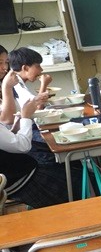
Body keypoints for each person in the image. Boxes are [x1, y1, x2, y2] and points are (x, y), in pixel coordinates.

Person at [0, 68, 69, 208]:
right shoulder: (9, 85)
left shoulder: (13, 84)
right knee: (73, 178)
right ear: (25, 67)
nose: (4, 69)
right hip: (20, 178)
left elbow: (6, 136)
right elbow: (22, 146)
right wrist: (25, 117)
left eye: (5, 63)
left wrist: (18, 123)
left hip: (20, 166)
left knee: (68, 165)